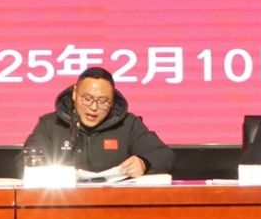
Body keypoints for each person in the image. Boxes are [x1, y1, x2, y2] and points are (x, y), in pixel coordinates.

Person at [21, 66, 173, 176]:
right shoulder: (50, 124)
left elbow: (165, 156)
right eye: (87, 99)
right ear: (74, 93)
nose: (93, 107)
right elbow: (21, 162)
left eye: (103, 101)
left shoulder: (129, 124)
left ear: (112, 101)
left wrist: (144, 163)